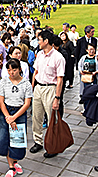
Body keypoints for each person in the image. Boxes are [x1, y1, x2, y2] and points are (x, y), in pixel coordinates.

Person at [0, 59, 33, 177]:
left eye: (14, 70)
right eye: (9, 70)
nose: (11, 73)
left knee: (17, 139)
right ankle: (11, 166)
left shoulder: (26, 83)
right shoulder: (4, 82)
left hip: (19, 112)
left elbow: (27, 103)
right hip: (6, 112)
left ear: (20, 69)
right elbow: (1, 100)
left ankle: (15, 162)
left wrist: (14, 117)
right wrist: (8, 117)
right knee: (4, 138)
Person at [30, 30, 65, 158]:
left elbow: (60, 79)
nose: (38, 42)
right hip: (38, 88)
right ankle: (38, 141)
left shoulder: (58, 57)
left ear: (46, 41)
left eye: (39, 39)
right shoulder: (39, 54)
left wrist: (57, 97)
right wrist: (33, 88)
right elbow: (36, 71)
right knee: (36, 117)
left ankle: (53, 146)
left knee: (51, 119)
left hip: (50, 88)